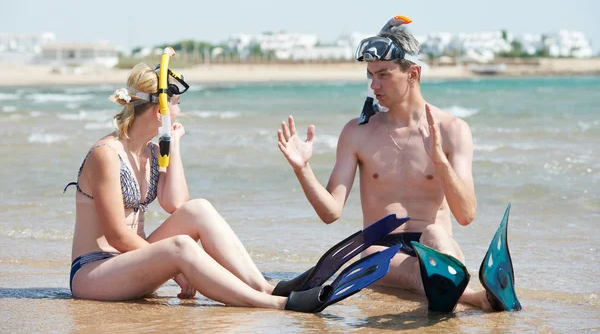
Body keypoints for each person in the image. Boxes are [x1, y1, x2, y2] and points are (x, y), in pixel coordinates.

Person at [65, 61, 391, 312]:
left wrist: (173, 145)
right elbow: (118, 236)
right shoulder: (106, 155)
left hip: (131, 266)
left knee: (199, 209)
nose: (180, 111)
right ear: (160, 109)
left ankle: (265, 288)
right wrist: (175, 267)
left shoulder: (151, 150)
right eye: (175, 104)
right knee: (179, 246)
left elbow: (176, 203)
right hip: (96, 273)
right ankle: (278, 305)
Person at [276, 16, 520, 312]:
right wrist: (302, 169)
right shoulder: (357, 132)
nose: (374, 85)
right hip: (381, 252)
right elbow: (330, 212)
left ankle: (448, 283)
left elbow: (466, 215)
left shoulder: (453, 129)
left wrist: (440, 162)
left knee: (434, 234)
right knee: (378, 254)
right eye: (370, 75)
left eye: (384, 74)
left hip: (437, 246)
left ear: (413, 73)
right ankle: (475, 296)